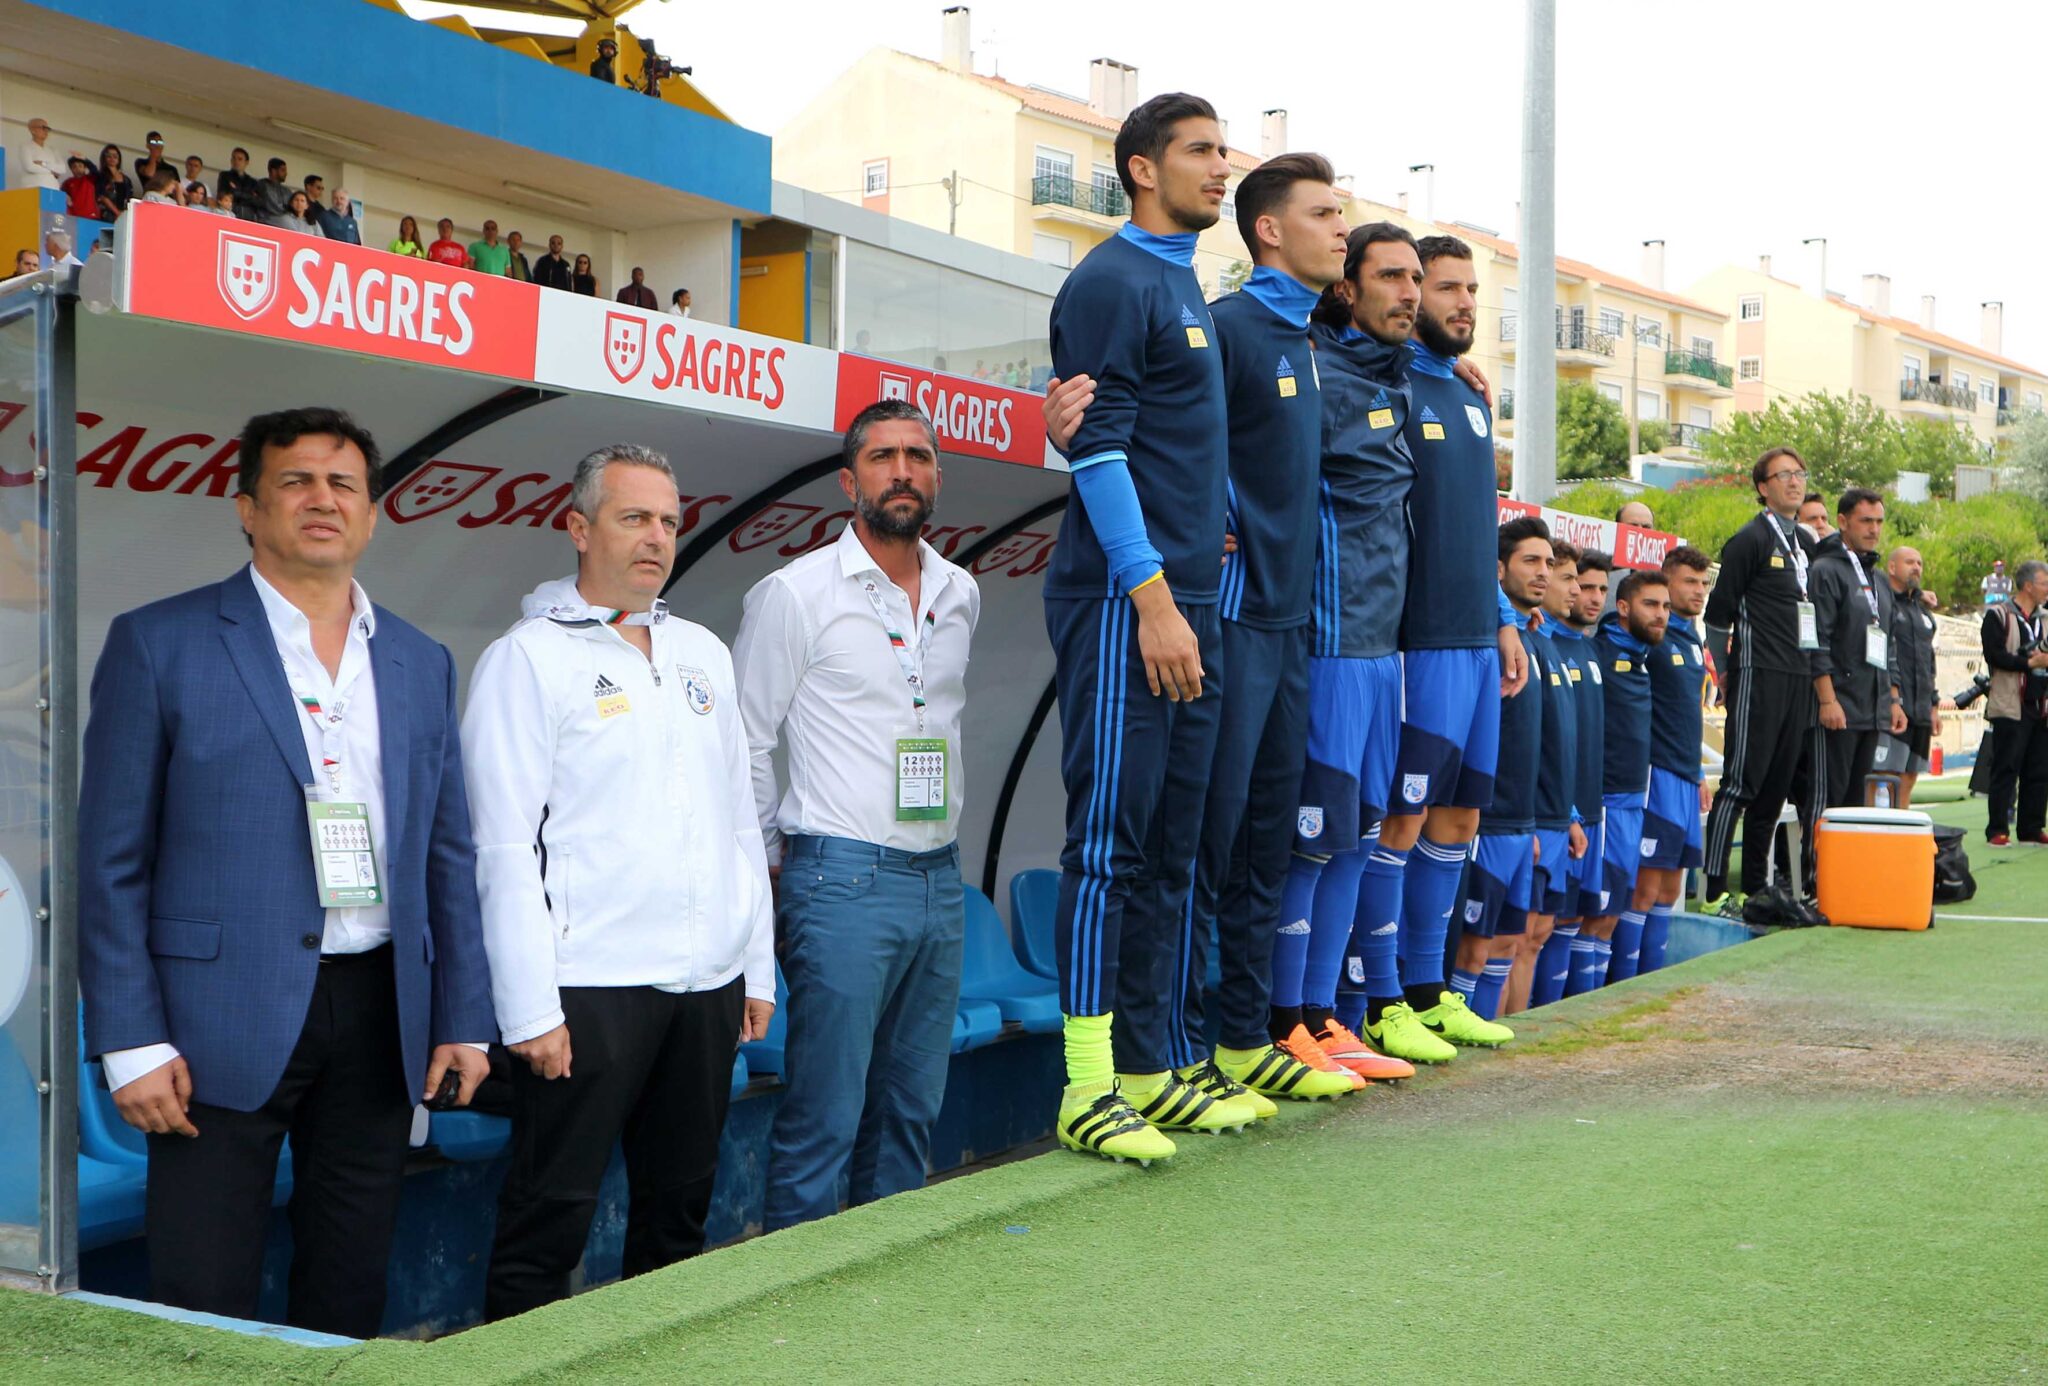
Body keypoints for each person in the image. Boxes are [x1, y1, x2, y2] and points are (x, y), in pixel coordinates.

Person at [76, 407, 495, 1337]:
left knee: (349, 1285)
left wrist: (464, 1015)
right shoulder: (161, 642)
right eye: (295, 481)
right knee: (199, 1294)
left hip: (382, 1013)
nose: (322, 500)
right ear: (246, 509)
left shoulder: (421, 662)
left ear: (373, 515)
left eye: (343, 484)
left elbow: (448, 855)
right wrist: (129, 1040)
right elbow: (108, 862)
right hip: (212, 1024)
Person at [463, 443, 773, 1320]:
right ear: (577, 527)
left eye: (670, 521)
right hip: (587, 992)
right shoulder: (527, 660)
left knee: (679, 1218)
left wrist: (753, 968)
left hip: (705, 987)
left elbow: (737, 821)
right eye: (634, 517)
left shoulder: (704, 654)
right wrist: (530, 1008)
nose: (657, 538)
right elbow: (501, 847)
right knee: (548, 1215)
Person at [1039, 92, 1232, 1165]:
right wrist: (1152, 596)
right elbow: (1099, 450)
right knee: (1107, 848)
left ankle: (1155, 1071)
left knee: (1170, 847)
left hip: (1185, 604)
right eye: (1199, 153)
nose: (1219, 169)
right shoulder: (1111, 279)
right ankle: (1084, 1084)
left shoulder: (1183, 284)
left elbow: (1179, 448)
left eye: (1221, 151)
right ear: (1140, 170)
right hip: (1126, 604)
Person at [736, 399, 980, 1230]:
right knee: (824, 1119)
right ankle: (789, 1315)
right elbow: (745, 743)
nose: (902, 471)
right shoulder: (794, 595)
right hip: (839, 879)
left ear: (938, 477)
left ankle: (881, 1292)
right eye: (882, 457)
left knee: (910, 1109)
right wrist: (777, 865)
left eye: (917, 455)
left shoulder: (962, 592)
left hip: (938, 882)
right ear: (850, 481)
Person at [1374, 231, 1525, 1052]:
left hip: (1474, 639)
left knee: (1460, 819)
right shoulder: (1390, 386)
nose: (1464, 303)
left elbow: (1479, 528)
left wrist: (1502, 615)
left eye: (1473, 291)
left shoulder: (1472, 398)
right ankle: (1380, 997)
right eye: (1446, 289)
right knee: (1401, 820)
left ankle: (1430, 990)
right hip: (1416, 641)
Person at [1700, 448, 1827, 925]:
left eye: (1800, 473)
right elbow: (1717, 617)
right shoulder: (1749, 541)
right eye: (1783, 475)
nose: (1794, 482)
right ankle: (1714, 889)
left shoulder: (1808, 545)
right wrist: (1724, 671)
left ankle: (1755, 887)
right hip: (1758, 675)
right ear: (1763, 487)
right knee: (1740, 784)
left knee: (1774, 792)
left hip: (1798, 678)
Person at [1448, 517, 1554, 1022]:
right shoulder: (1488, 634)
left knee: (1510, 942)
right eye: (1530, 561)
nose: (1543, 573)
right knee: (1472, 947)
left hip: (1521, 824)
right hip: (1485, 824)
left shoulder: (1532, 638)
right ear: (1497, 569)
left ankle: (1490, 1036)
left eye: (1549, 564)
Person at [1574, 569, 1669, 989]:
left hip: (1634, 801)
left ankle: (1603, 1002)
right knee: (1594, 916)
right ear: (1625, 607)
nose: (1661, 614)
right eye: (1651, 604)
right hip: (1607, 803)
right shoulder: (1598, 655)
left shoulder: (1644, 656)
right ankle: (1574, 1007)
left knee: (1612, 914)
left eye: (1665, 606)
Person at [1514, 540, 1589, 1012]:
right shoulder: (1521, 642)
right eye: (1569, 578)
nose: (1576, 589)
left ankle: (1521, 1026)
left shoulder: (1550, 644)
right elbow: (1519, 742)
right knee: (1508, 938)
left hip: (1556, 816)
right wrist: (1528, 819)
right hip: (1527, 817)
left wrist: (1571, 815)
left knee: (1539, 932)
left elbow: (1558, 742)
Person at [1631, 547, 1713, 974]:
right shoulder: (1653, 639)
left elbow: (1687, 711)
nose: (1698, 591)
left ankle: (1653, 976)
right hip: (1657, 775)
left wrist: (1698, 770)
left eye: (1703, 583)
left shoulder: (1691, 639)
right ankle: (1626, 980)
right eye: (1688, 582)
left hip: (1684, 775)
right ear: (1666, 580)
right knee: (1644, 887)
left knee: (1671, 885)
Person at [1536, 549, 1611, 1003]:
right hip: (1552, 812)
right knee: (1534, 928)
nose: (1588, 595)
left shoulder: (1589, 647)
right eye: (1580, 583)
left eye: (1601, 588)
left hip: (1588, 808)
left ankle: (1565, 1010)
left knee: (1574, 919)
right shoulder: (1546, 644)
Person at [1810, 488, 1906, 810]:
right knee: (1828, 800)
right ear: (1843, 521)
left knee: (1857, 802)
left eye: (1879, 521)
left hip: (1873, 707)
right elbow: (1815, 640)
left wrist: (1893, 699)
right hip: (1839, 707)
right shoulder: (1825, 570)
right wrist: (1827, 700)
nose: (1874, 529)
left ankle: (1849, 861)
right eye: (1866, 521)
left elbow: (1889, 642)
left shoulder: (1879, 579)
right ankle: (1816, 861)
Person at [1980, 558, 2048, 847]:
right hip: (2010, 702)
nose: (2047, 589)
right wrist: (2029, 662)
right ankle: (1997, 828)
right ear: (2029, 585)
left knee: (2039, 768)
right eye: (2044, 583)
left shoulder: (2043, 619)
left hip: (2040, 704)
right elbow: (1994, 655)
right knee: (2006, 767)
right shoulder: (1998, 615)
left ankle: (2031, 828)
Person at [1886, 546, 1941, 804]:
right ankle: (1878, 834)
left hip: (1921, 708)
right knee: (1885, 774)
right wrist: (1892, 699)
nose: (1916, 567)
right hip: (1895, 706)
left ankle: (1900, 832)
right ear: (1892, 567)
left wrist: (1934, 705)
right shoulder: (1882, 603)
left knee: (1910, 775)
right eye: (1909, 562)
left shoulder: (1922, 611)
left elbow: (1929, 660)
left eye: (1919, 562)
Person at [10, 116, 65, 190]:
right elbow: (29, 167)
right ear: (32, 130)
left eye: (47, 129)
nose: (46, 131)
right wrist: (52, 171)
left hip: (53, 188)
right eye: (43, 128)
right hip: (32, 187)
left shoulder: (53, 150)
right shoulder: (25, 146)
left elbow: (62, 169)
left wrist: (43, 163)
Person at [94, 142, 134, 219]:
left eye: (115, 156)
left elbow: (130, 198)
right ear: (104, 158)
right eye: (109, 156)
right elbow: (102, 197)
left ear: (119, 159)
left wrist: (124, 213)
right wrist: (117, 212)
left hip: (123, 214)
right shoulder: (101, 176)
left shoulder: (126, 179)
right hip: (106, 214)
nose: (112, 158)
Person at [216, 147, 258, 219]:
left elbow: (256, 201)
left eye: (240, 159)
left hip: (248, 216)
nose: (236, 161)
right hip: (229, 214)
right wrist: (247, 195)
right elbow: (223, 195)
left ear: (246, 162)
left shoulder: (252, 181)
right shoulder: (225, 175)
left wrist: (236, 191)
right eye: (234, 158)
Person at [252, 158, 295, 228]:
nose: (286, 173)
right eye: (283, 170)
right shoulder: (263, 185)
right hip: (267, 220)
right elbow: (273, 206)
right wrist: (287, 211)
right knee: (287, 220)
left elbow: (293, 208)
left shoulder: (286, 190)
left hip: (284, 221)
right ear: (273, 171)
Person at [61, 153, 99, 217]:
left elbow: (94, 170)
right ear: (71, 169)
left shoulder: (90, 178)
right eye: (74, 166)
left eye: (80, 166)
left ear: (85, 168)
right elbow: (61, 194)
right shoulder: (67, 182)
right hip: (74, 216)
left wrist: (85, 159)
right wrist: (66, 196)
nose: (77, 168)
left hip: (90, 216)